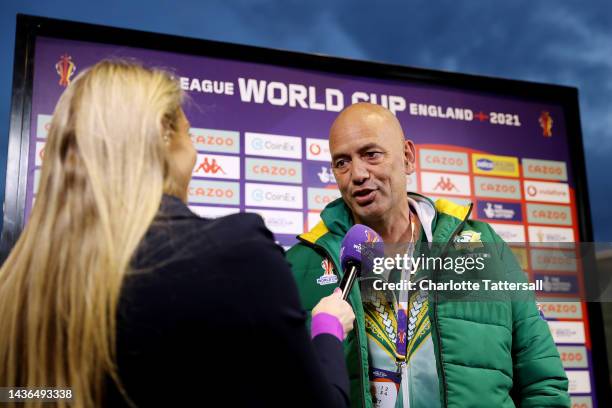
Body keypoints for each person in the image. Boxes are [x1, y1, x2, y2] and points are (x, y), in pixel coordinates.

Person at [0, 61, 355, 408]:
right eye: (189, 133)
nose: (196, 153)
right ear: (163, 135)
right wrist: (327, 329)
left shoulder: (18, 284)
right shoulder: (239, 252)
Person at [286, 103, 570, 408]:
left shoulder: (482, 245)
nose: (357, 173)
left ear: (407, 157)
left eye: (371, 154)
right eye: (342, 162)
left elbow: (542, 381)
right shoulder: (302, 264)